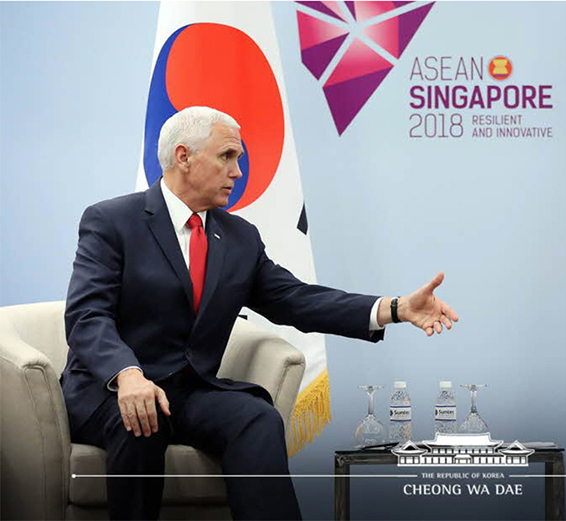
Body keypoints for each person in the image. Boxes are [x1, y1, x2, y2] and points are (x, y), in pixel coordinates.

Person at [61, 106, 459, 520]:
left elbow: (297, 299)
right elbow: (88, 315)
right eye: (227, 156)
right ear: (183, 157)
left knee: (256, 417)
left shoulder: (238, 237)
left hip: (189, 392)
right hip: (112, 390)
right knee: (142, 421)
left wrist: (394, 309)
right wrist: (127, 374)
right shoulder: (112, 221)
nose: (238, 171)